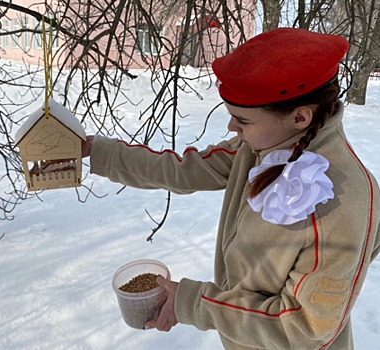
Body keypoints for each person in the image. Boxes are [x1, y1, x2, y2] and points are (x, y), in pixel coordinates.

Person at [82, 27, 380, 349]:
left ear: (300, 117)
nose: (231, 127)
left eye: (242, 120)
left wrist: (194, 302)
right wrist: (95, 151)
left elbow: (305, 327)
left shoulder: (344, 203)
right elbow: (184, 170)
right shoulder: (257, 148)